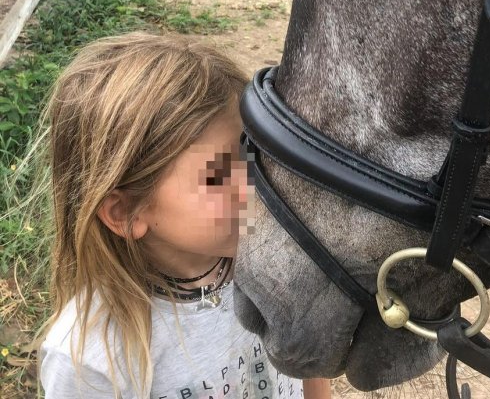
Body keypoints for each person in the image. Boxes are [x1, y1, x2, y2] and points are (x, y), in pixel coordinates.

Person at [38, 33, 331, 399]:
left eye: (253, 157)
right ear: (126, 212)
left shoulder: (276, 266)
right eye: (218, 177)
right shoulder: (90, 362)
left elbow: (308, 367)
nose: (256, 186)